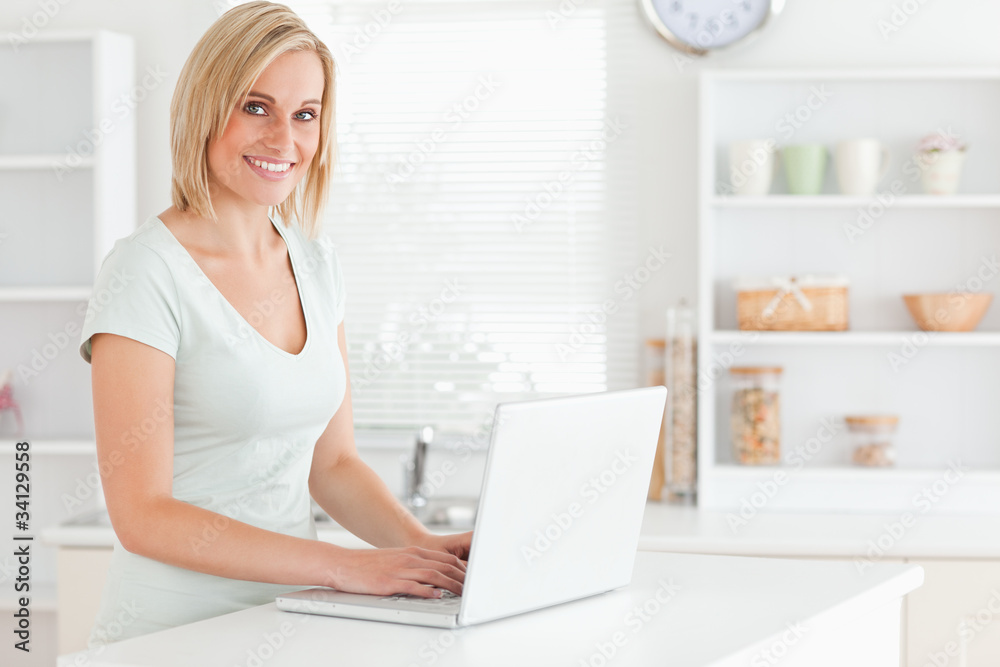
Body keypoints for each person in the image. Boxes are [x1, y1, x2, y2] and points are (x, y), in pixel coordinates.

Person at [77, 1, 471, 646]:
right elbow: (142, 515)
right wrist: (343, 566)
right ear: (205, 110)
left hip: (286, 625)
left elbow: (333, 464)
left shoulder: (316, 264)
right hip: (167, 635)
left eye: (305, 115)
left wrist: (423, 548)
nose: (284, 140)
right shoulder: (144, 273)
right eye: (256, 107)